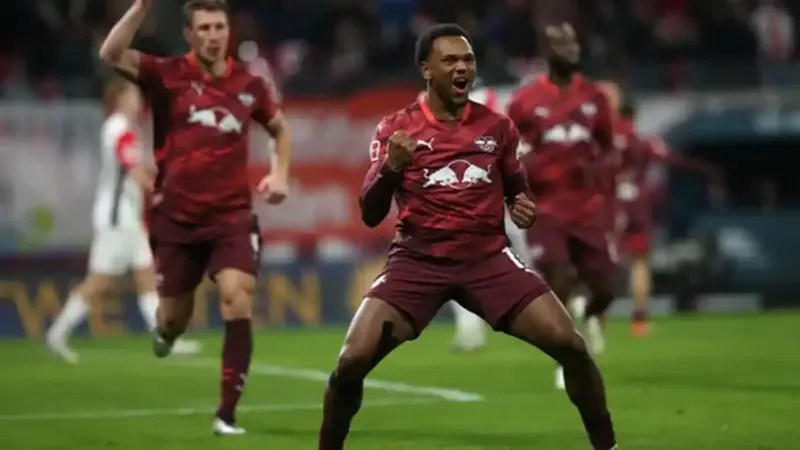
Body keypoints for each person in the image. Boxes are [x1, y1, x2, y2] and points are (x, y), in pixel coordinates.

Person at [317, 24, 617, 450]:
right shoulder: (396, 130)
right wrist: (390, 168)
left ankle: (608, 445)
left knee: (571, 345)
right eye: (450, 60)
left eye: (468, 60)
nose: (462, 68)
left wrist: (523, 206)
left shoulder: (498, 128)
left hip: (488, 261)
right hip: (417, 263)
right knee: (351, 360)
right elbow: (370, 213)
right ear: (426, 69)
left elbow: (517, 190)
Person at [98, 0, 292, 435]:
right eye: (203, 28)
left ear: (228, 31)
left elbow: (279, 128)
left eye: (219, 26)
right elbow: (110, 54)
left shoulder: (250, 85)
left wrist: (280, 173)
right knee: (173, 318)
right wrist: (142, 7)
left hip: (231, 217)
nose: (212, 35)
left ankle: (226, 414)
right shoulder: (164, 74)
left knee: (236, 296)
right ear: (189, 34)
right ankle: (167, 333)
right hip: (176, 221)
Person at [46, 76, 201, 363]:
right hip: (117, 220)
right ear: (120, 99)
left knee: (146, 276)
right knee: (99, 282)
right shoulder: (119, 129)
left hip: (127, 217)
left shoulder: (124, 128)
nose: (138, 101)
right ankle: (57, 334)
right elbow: (134, 171)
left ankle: (164, 338)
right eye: (133, 96)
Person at [506, 23, 618, 390]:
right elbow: (508, 150)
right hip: (547, 208)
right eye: (561, 44)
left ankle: (591, 312)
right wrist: (523, 172)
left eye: (573, 42)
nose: (570, 49)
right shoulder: (525, 101)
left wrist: (601, 172)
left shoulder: (594, 97)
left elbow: (607, 146)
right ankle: (566, 357)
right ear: (546, 51)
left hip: (587, 207)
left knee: (605, 287)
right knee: (558, 278)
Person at [614, 98, 720, 336]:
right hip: (637, 205)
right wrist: (708, 171)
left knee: (602, 260)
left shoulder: (603, 143)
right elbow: (673, 159)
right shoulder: (643, 141)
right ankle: (640, 319)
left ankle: (597, 316)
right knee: (640, 262)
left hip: (611, 206)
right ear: (634, 115)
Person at [448, 83, 531, 353]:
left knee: (459, 262)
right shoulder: (496, 101)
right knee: (527, 258)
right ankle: (472, 328)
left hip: (484, 195)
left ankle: (471, 329)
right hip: (488, 193)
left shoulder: (487, 103)